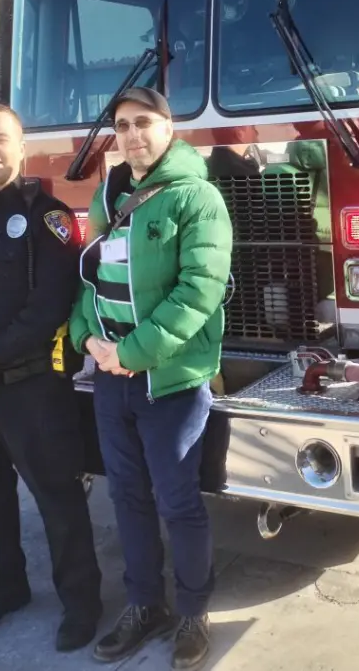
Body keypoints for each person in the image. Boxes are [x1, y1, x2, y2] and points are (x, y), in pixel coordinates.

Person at [69, 87, 233, 669]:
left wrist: (133, 353)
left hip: (170, 381)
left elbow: (198, 292)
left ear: (168, 127)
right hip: (112, 378)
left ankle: (192, 611)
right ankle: (145, 606)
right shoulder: (108, 194)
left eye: (143, 122)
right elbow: (89, 279)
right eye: (122, 125)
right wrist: (87, 338)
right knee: (127, 496)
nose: (132, 135)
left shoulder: (198, 198)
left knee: (178, 500)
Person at [0, 102, 102, 651]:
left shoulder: (49, 216)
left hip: (32, 386)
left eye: (1, 138)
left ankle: (82, 604)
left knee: (57, 498)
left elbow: (50, 304)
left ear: (21, 148)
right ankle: (4, 591)